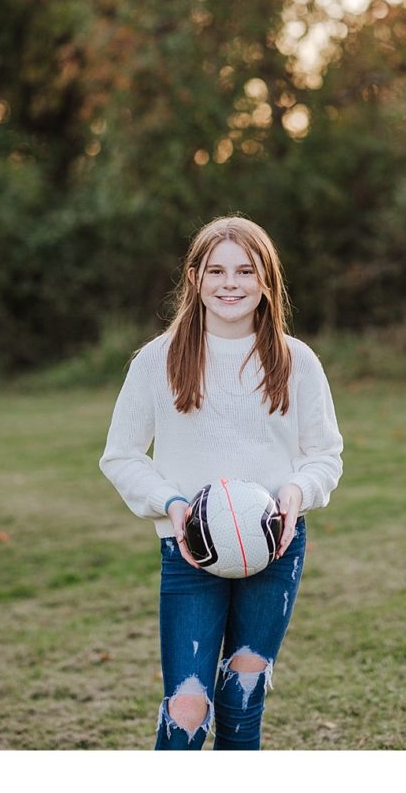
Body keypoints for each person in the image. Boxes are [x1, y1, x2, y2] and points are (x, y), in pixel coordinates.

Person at [99, 215, 343, 750]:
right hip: (189, 550)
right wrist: (171, 503)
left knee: (242, 698)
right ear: (194, 278)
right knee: (188, 706)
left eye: (244, 271)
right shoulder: (157, 360)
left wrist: (298, 493)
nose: (230, 283)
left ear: (266, 282)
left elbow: (325, 455)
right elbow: (120, 456)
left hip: (275, 549)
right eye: (216, 270)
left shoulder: (295, 360)